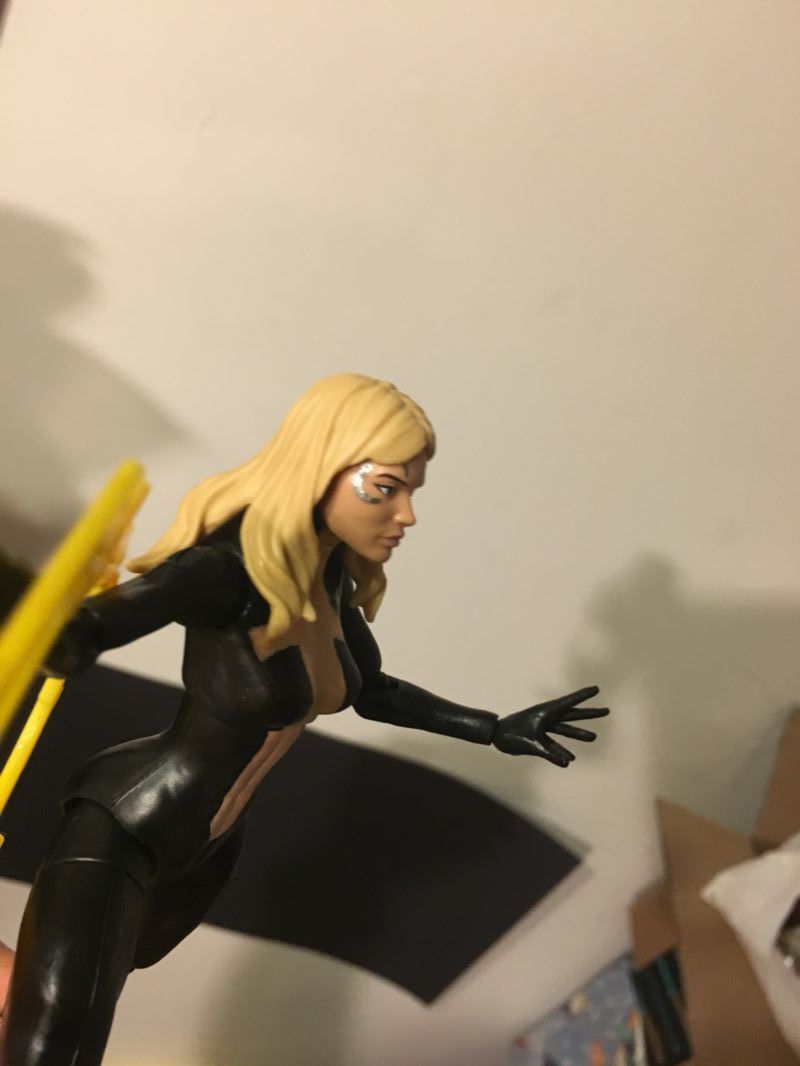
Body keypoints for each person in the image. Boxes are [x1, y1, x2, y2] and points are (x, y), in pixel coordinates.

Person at [0, 373, 608, 1065]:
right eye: (385, 488)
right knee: (54, 1045)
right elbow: (85, 633)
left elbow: (372, 690)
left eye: (411, 491)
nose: (406, 515)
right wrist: (36, 603)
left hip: (206, 852)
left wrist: (493, 728)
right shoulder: (222, 575)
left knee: (57, 1014)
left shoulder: (325, 578)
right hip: (124, 829)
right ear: (320, 469)